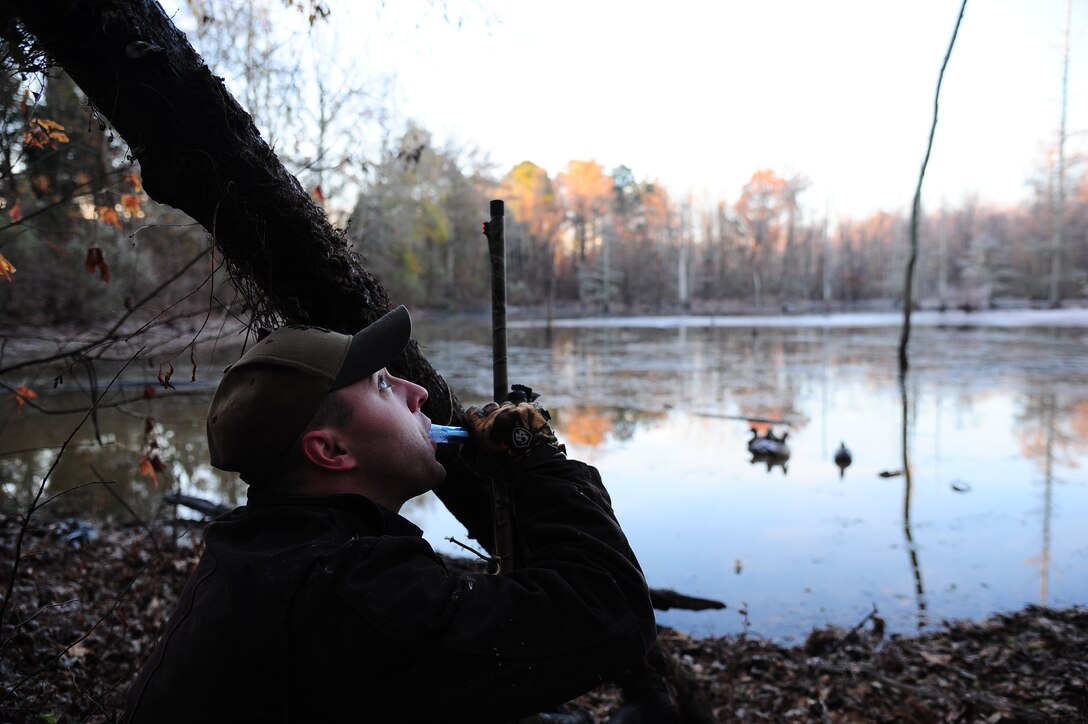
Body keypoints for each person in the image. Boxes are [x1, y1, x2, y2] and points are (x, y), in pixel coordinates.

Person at [122, 305, 656, 723]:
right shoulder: (351, 594)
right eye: (382, 384)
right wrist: (540, 462)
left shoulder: (252, 550)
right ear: (330, 451)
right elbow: (610, 610)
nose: (417, 391)